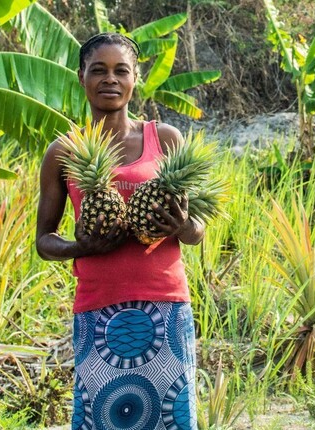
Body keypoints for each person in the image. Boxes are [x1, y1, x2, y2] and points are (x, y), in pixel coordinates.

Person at [36, 33, 203, 430]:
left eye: (120, 70)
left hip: (165, 304)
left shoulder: (164, 139)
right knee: (103, 418)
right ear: (82, 77)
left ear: (134, 79)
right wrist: (82, 246)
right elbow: (44, 240)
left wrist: (180, 225)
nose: (109, 79)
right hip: (98, 309)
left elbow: (197, 231)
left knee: (170, 418)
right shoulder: (63, 151)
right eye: (99, 70)